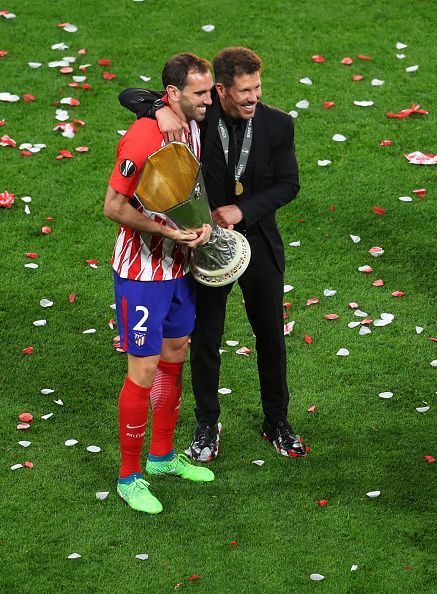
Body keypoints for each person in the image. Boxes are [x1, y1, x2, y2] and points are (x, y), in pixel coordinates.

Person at [119, 47, 306, 462]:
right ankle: (207, 424)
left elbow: (289, 184)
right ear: (220, 90)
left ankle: (276, 420)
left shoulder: (278, 125)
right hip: (202, 244)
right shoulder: (202, 116)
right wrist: (157, 109)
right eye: (244, 90)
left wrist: (245, 209)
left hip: (257, 242)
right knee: (205, 338)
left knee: (271, 336)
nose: (253, 97)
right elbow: (130, 94)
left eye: (257, 87)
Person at [103, 53, 215, 515]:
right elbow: (113, 206)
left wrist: (201, 226)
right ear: (173, 95)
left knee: (173, 359)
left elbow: (186, 190)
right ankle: (130, 477)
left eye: (210, 91)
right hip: (142, 274)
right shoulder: (143, 137)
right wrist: (169, 232)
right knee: (143, 371)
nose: (210, 100)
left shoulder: (186, 124)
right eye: (201, 94)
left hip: (177, 270)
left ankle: (162, 457)